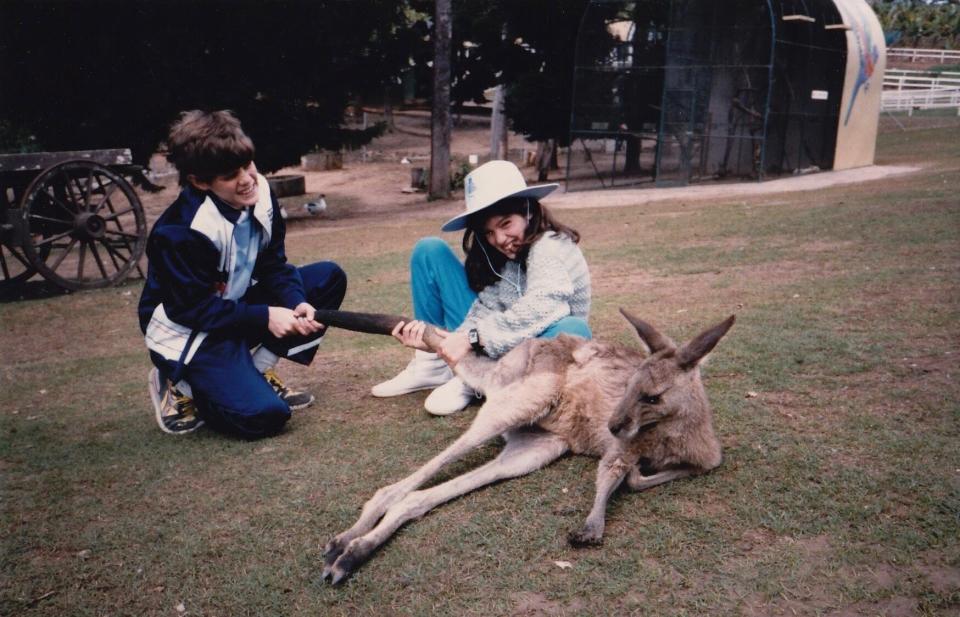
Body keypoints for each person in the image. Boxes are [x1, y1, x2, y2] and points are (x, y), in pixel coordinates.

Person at [138, 110, 347, 437]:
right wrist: (265, 316)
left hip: (233, 309)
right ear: (199, 181)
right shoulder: (181, 231)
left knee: (327, 279)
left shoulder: (261, 193)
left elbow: (274, 264)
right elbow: (189, 310)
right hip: (189, 332)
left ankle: (257, 371)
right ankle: (179, 383)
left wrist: (296, 301)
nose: (247, 179)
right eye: (229, 175)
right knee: (264, 417)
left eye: (247, 165)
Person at [371, 160, 591, 415]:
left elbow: (544, 307)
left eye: (506, 224)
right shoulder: (510, 260)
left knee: (574, 330)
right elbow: (490, 305)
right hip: (504, 337)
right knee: (428, 249)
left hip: (539, 343)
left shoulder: (550, 247)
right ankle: (433, 367)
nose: (499, 240)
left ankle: (480, 379)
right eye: (488, 233)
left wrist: (472, 339)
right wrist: (444, 343)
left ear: (529, 211)